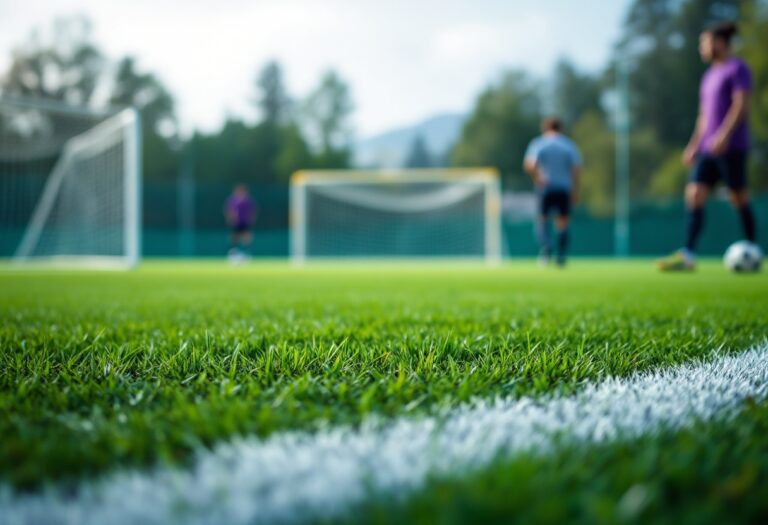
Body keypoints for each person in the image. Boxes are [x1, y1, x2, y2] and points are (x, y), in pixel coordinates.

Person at [657, 21, 756, 271]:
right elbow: (704, 115)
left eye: (705, 42)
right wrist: (694, 144)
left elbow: (740, 104)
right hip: (707, 150)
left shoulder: (737, 68)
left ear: (720, 43)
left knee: (738, 197)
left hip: (731, 147)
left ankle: (752, 247)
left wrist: (724, 135)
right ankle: (688, 254)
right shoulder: (709, 76)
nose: (701, 47)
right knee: (694, 195)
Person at [523, 116, 583, 267]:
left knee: (542, 219)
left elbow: (530, 164)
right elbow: (576, 168)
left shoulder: (539, 143)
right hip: (564, 188)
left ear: (545, 128)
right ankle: (561, 255)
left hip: (545, 188)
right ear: (561, 128)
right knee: (562, 222)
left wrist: (537, 177)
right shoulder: (568, 144)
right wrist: (575, 189)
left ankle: (546, 247)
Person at [224, 184, 256, 263]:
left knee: (247, 237)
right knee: (235, 237)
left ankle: (247, 253)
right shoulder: (233, 200)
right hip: (236, 222)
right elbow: (229, 210)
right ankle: (233, 253)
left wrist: (251, 218)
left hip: (245, 222)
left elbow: (253, 211)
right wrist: (231, 219)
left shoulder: (248, 201)